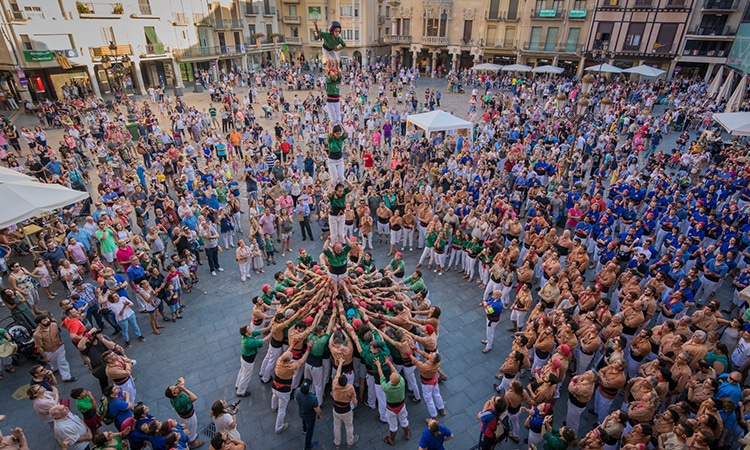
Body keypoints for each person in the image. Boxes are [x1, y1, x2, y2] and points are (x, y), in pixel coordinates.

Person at [32, 313, 77, 382]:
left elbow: (58, 334)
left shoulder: (54, 325)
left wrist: (61, 342)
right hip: (48, 351)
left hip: (59, 347)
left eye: (47, 318)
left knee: (62, 361)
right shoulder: (37, 334)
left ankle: (66, 376)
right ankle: (55, 368)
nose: (47, 320)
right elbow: (39, 347)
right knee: (52, 362)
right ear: (39, 324)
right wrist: (45, 357)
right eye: (44, 320)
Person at [376, 358, 410, 446]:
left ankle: (392, 439)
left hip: (391, 409)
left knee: (393, 425)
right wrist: (390, 363)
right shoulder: (402, 382)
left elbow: (382, 377)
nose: (391, 374)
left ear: (391, 380)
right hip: (401, 406)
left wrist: (378, 365)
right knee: (404, 421)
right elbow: (396, 373)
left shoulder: (387, 388)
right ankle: (407, 434)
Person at [165, 377, 204, 449]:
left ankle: (192, 436)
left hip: (182, 415)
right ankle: (192, 442)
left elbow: (181, 379)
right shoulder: (179, 401)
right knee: (191, 428)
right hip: (188, 417)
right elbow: (194, 398)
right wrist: (184, 389)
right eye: (175, 388)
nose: (176, 387)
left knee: (190, 428)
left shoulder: (174, 394)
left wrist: (181, 384)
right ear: (174, 394)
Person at [234, 324, 271, 398]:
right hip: (248, 361)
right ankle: (241, 392)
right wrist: (272, 333)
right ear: (247, 333)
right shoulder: (249, 342)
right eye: (249, 328)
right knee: (246, 376)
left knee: (242, 371)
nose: (251, 328)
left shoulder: (247, 336)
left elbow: (259, 331)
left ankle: (238, 385)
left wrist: (269, 328)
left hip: (244, 358)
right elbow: (263, 341)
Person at [295, 379, 322, 450]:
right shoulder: (313, 398)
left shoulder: (297, 391)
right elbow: (318, 410)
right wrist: (319, 415)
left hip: (301, 413)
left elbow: (295, 399)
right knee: (310, 431)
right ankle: (307, 446)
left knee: (304, 421)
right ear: (309, 390)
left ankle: (304, 430)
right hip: (310, 416)